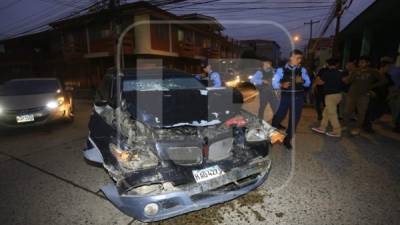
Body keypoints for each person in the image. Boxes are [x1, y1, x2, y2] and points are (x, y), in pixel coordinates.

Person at [271, 49, 311, 149]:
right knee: (279, 117)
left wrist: (303, 81)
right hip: (285, 97)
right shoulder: (281, 70)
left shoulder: (302, 70)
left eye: (301, 58)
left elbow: (308, 83)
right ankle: (270, 135)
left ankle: (287, 139)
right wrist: (281, 84)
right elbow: (274, 83)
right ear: (291, 57)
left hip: (298, 97)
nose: (300, 61)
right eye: (298, 58)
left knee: (294, 120)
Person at [342, 56, 383, 136]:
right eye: (359, 62)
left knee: (361, 113)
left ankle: (358, 128)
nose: (360, 64)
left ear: (368, 63)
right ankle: (344, 125)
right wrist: (347, 78)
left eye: (362, 62)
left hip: (364, 95)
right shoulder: (355, 70)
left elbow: (383, 81)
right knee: (347, 111)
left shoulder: (373, 71)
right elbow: (348, 81)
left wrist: (371, 87)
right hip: (352, 94)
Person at [311, 58, 345, 137]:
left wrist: (317, 79)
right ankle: (322, 128)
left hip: (330, 96)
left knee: (332, 113)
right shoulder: (340, 73)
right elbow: (344, 81)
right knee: (326, 112)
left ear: (328, 64)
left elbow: (320, 83)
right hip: (338, 95)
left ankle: (337, 131)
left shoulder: (326, 73)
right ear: (336, 64)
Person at [363, 59, 394, 132]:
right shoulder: (373, 74)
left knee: (379, 111)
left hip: (383, 97)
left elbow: (390, 86)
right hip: (373, 96)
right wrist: (370, 91)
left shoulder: (387, 76)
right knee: (370, 111)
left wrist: (391, 94)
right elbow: (365, 84)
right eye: (388, 67)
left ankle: (367, 123)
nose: (389, 69)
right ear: (383, 66)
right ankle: (367, 126)